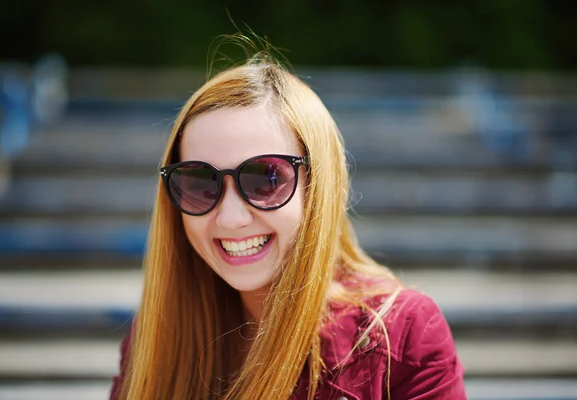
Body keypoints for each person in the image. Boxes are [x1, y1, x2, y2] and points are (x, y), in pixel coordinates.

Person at [110, 44, 466, 400]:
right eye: (200, 183)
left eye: (265, 179)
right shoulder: (157, 338)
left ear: (317, 187)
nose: (231, 218)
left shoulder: (402, 335)